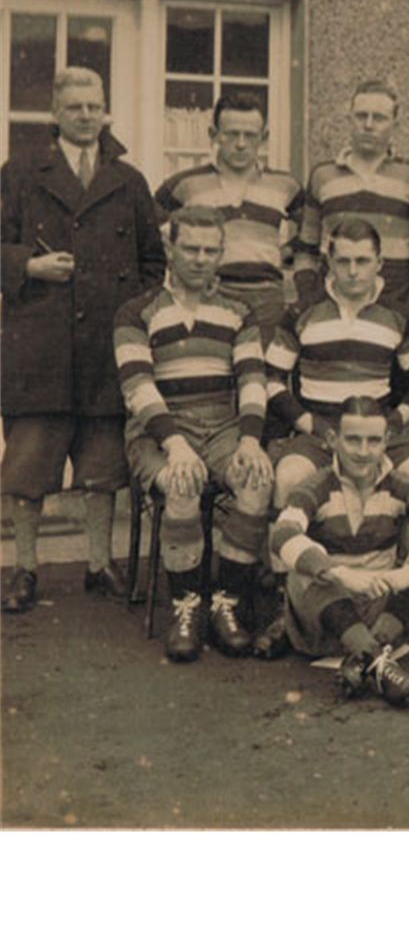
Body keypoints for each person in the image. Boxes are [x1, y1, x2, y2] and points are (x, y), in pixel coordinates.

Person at [2, 66, 165, 615]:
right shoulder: (20, 172)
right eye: (74, 107)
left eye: (94, 106)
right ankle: (25, 568)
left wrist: (128, 318)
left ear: (106, 110)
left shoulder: (129, 180)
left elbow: (153, 263)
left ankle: (99, 563)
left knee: (103, 464)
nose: (86, 115)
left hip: (104, 346)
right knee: (28, 467)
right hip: (39, 344)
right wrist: (31, 264)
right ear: (55, 113)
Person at [261, 216, 409, 659]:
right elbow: (272, 379)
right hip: (320, 427)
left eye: (364, 261)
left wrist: (394, 424)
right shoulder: (302, 311)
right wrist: (308, 425)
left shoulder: (398, 314)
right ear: (328, 264)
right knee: (288, 480)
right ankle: (292, 610)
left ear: (380, 262)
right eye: (344, 261)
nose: (354, 271)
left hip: (377, 430)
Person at [113, 207, 274, 662]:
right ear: (170, 248)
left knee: (257, 480)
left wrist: (248, 440)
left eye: (211, 250)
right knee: (182, 482)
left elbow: (252, 380)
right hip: (160, 428)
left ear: (221, 252)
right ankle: (186, 607)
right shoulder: (136, 312)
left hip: (222, 425)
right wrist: (176, 444)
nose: (201, 259)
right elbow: (137, 388)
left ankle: (226, 603)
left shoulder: (238, 312)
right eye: (191, 249)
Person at [271, 396, 409, 708]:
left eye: (373, 441)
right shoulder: (316, 486)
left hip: (385, 612)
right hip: (326, 619)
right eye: (353, 440)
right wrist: (340, 574)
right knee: (304, 561)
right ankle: (377, 659)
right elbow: (281, 534)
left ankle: (365, 658)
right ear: (334, 440)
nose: (363, 452)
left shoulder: (401, 484)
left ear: (386, 441)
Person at [155, 92, 303, 348]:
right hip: (210, 294)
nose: (241, 144)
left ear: (264, 138)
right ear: (213, 135)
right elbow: (151, 233)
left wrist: (286, 251)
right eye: (231, 134)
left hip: (265, 299)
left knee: (263, 375)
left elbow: (314, 231)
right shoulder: (184, 185)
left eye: (250, 135)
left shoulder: (285, 185)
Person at [292, 80, 409, 315]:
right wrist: (309, 297)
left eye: (379, 118)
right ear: (349, 120)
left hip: (395, 308)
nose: (369, 125)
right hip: (333, 309)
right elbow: (306, 249)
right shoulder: (323, 175)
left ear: (395, 124)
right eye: (361, 116)